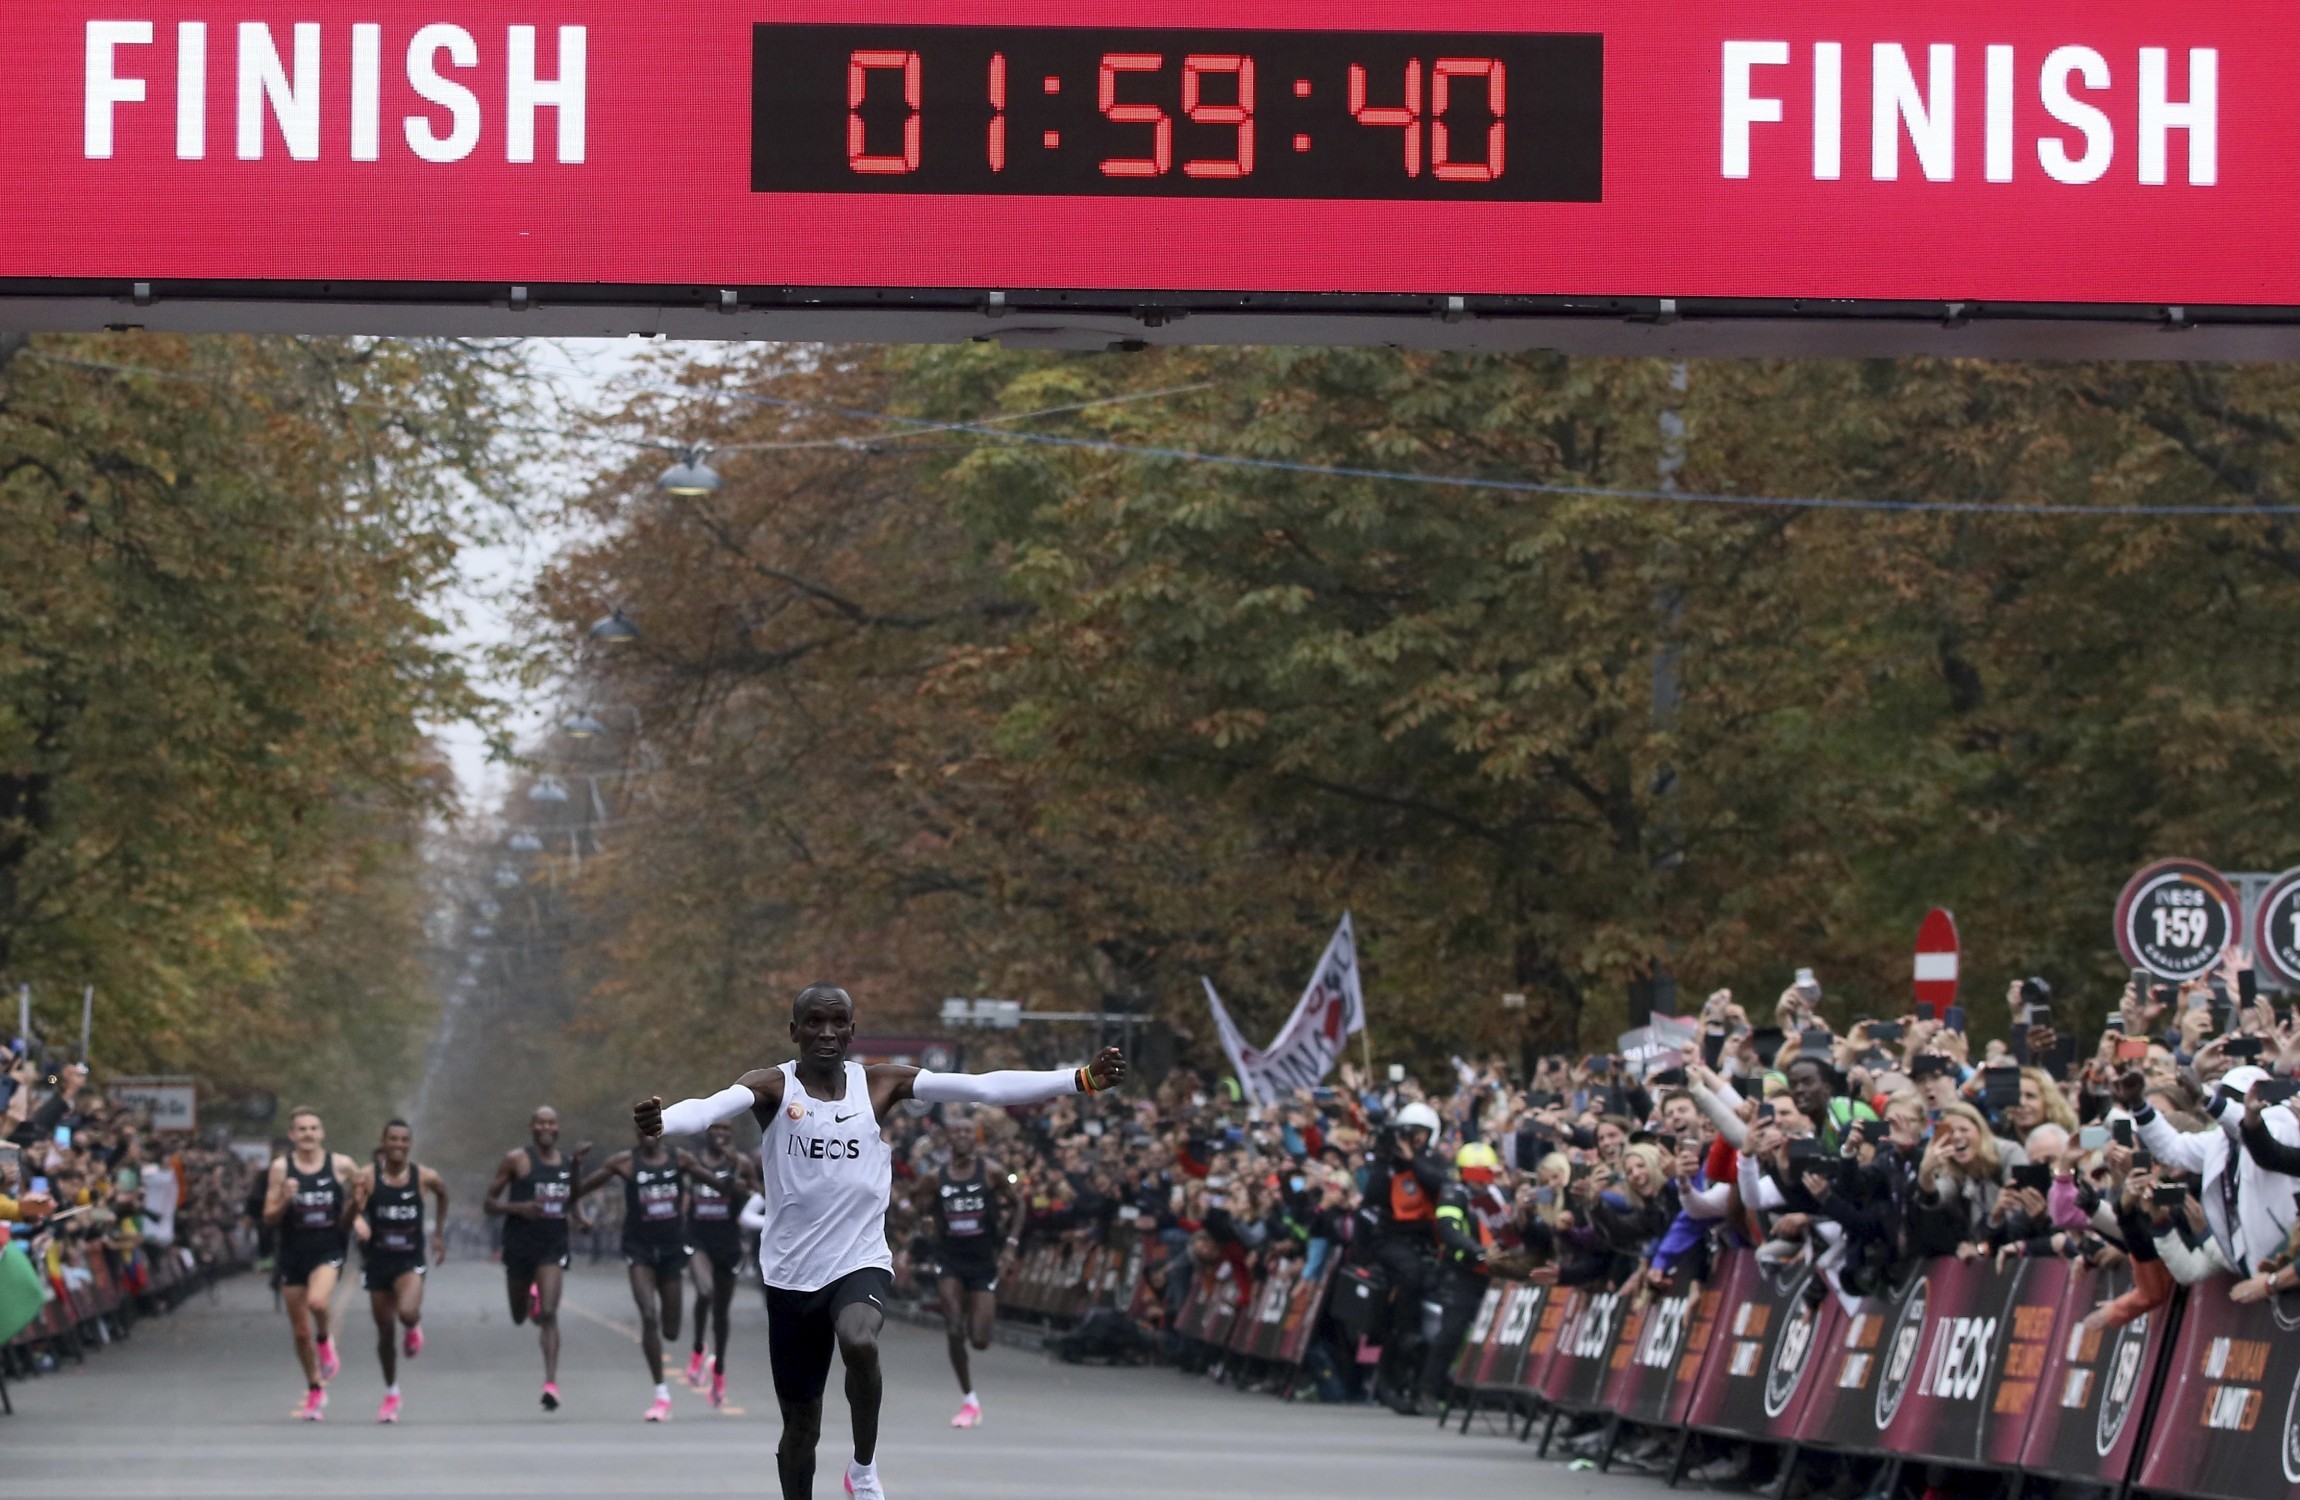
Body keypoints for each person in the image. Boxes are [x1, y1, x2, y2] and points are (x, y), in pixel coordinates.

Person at [633, 981, 1126, 1500]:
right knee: (801, 1430)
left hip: (859, 1259)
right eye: (815, 1023)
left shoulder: (881, 1084)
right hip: (791, 1272)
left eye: (838, 1022)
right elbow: (710, 1107)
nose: (827, 1033)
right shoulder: (773, 1087)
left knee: (860, 1342)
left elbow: (982, 1088)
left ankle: (863, 1469)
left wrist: (1080, 1079)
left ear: (852, 1030)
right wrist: (664, 1122)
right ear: (794, 1031)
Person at [580, 1123, 697, 1421]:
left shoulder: (679, 1159)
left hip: (671, 1250)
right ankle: (661, 1394)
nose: (647, 1133)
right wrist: (574, 1173)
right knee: (648, 1314)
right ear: (634, 1132)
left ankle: (698, 1354)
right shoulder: (623, 1163)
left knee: (671, 1330)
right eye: (640, 1127)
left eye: (652, 1127)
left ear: (661, 1130)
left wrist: (738, 1180)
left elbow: (718, 1182)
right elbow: (580, 1190)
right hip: (639, 1249)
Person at [483, 1106, 591, 1411]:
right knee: (520, 1316)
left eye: (552, 1122)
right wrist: (519, 1208)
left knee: (550, 1312)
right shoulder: (516, 1160)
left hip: (552, 1247)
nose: (546, 1127)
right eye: (541, 1122)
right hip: (519, 1246)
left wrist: (582, 1220)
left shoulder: (568, 1163)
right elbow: (489, 1203)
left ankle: (551, 1383)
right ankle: (530, 1300)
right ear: (531, 1127)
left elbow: (574, 1200)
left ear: (558, 1128)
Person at [346, 1120, 449, 1424]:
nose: (399, 1145)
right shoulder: (367, 1176)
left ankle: (413, 1326)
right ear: (384, 1141)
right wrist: (356, 1213)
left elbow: (444, 1195)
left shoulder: (424, 1177)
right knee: (385, 1332)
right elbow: (346, 1217)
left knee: (406, 1313)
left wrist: (438, 1235)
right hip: (378, 1262)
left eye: (404, 1140)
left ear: (409, 1144)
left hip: (409, 1260)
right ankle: (391, 1392)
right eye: (393, 1139)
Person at [923, 1113, 1023, 1430]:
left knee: (979, 1339)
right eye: (957, 1132)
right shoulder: (935, 1177)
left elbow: (1020, 1204)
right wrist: (924, 1225)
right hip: (950, 1258)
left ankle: (970, 1310)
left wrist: (1010, 1246)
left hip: (983, 1261)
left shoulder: (991, 1172)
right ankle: (969, 1399)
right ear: (948, 1139)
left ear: (976, 1137)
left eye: (969, 1132)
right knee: (953, 1327)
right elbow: (916, 1205)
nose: (963, 1137)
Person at [261, 1107, 360, 1420]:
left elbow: (365, 1189)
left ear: (322, 1133)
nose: (307, 1134)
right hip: (293, 1252)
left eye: (313, 1128)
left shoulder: (340, 1164)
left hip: (328, 1248)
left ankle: (325, 1340)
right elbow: (268, 1216)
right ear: (292, 1136)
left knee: (318, 1301)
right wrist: (285, 1199)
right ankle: (315, 1388)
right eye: (301, 1129)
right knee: (299, 1332)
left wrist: (359, 1218)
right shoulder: (281, 1168)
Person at [683, 1118, 760, 1407]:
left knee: (721, 1312)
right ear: (707, 1133)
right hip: (698, 1238)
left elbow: (758, 1192)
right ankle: (697, 1349)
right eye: (716, 1128)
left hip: (727, 1243)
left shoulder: (740, 1162)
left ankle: (719, 1369)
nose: (721, 1133)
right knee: (705, 1292)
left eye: (726, 1129)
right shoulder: (693, 1163)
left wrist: (744, 1186)